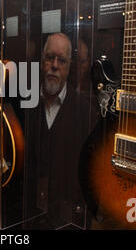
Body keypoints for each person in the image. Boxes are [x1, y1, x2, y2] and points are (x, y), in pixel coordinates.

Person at [25, 33, 96, 229]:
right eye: (50, 57)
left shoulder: (85, 112)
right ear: (42, 59)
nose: (54, 65)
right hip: (27, 218)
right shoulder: (24, 103)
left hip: (66, 221)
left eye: (62, 60)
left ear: (69, 65)